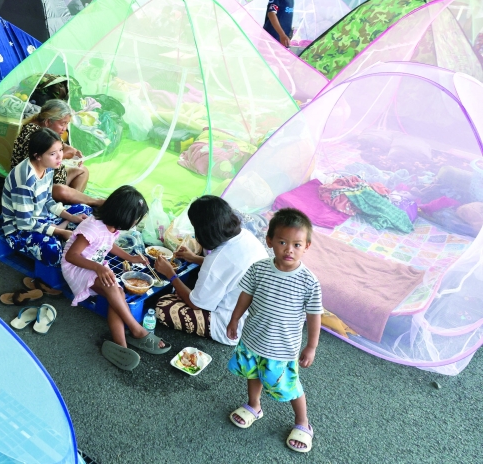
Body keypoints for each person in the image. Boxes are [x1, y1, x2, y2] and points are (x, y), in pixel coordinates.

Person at [226, 208, 322, 454]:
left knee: (290, 386)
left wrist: (311, 346)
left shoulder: (308, 282)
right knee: (252, 373)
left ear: (306, 246)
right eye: (282, 242)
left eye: (296, 244)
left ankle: (302, 423)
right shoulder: (259, 269)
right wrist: (234, 319)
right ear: (269, 241)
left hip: (282, 349)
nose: (289, 249)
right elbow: (245, 296)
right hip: (252, 339)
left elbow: (314, 316)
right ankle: (253, 406)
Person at [62, 185, 170, 370]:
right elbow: (71, 256)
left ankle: (121, 345)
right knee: (113, 288)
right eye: (136, 218)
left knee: (117, 292)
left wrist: (130, 257)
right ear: (123, 215)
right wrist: (98, 268)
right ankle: (136, 330)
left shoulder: (112, 227)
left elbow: (107, 245)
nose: (136, 222)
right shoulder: (93, 227)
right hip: (77, 266)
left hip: (95, 265)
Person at [153, 195, 268, 342]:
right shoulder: (245, 236)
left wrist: (170, 274)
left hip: (230, 326)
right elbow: (226, 269)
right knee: (188, 287)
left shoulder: (217, 260)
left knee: (163, 306)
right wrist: (194, 258)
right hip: (255, 321)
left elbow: (195, 304)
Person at [1, 128, 92, 277]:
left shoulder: (48, 167)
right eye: (52, 153)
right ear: (37, 156)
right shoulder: (24, 181)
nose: (59, 157)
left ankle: (58, 230)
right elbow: (24, 223)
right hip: (20, 229)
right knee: (52, 249)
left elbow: (48, 200)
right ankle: (59, 233)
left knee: (85, 211)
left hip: (44, 218)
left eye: (61, 150)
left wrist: (71, 217)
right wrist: (61, 231)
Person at [10, 100, 102, 206]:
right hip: (32, 187)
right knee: (60, 190)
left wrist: (72, 150)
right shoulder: (34, 134)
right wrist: (64, 155)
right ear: (48, 122)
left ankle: (72, 204)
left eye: (67, 124)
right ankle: (93, 202)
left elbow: (60, 145)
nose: (65, 128)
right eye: (63, 124)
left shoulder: (48, 131)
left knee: (83, 171)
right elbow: (36, 165)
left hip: (52, 180)